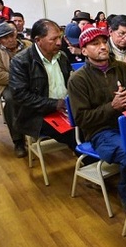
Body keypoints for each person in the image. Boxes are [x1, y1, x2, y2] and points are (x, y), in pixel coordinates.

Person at [67, 25, 126, 207]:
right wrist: (113, 106)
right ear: (84, 51)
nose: (103, 46)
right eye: (95, 44)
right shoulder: (78, 80)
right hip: (100, 132)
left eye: (104, 42)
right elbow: (81, 119)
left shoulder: (122, 68)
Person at [9, 18, 77, 151]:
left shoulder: (61, 56)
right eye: (54, 39)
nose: (59, 43)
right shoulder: (21, 61)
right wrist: (54, 104)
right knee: (75, 134)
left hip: (64, 108)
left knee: (92, 123)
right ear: (38, 40)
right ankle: (91, 165)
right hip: (37, 115)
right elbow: (20, 95)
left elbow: (71, 81)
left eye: (60, 37)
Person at [0, 22, 32, 157]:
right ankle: (18, 141)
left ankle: (42, 131)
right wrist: (22, 79)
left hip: (29, 81)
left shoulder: (28, 45)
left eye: (11, 35)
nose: (10, 40)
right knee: (12, 100)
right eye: (5, 38)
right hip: (7, 84)